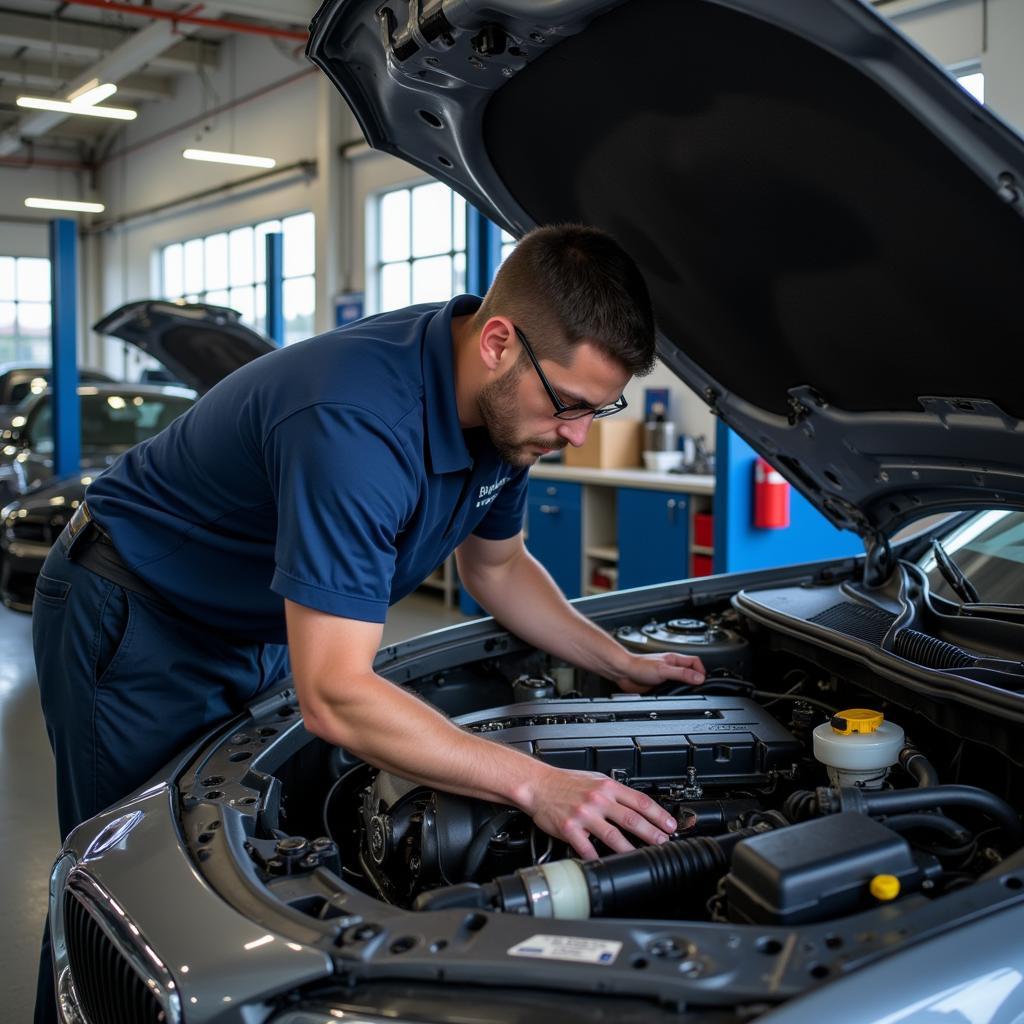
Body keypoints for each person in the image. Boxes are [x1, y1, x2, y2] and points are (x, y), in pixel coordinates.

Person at [31, 223, 705, 1021]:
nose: (577, 435)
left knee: (248, 854)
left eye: (601, 410)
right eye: (570, 406)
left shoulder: (502, 418)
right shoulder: (355, 421)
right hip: (137, 612)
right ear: (497, 342)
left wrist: (618, 660)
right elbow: (337, 695)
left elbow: (500, 567)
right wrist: (539, 784)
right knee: (132, 886)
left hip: (261, 623)